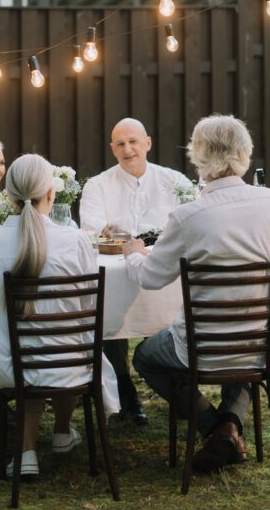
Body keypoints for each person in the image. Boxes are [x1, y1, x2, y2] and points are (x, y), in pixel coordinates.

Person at [126, 115, 270, 473]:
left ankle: (214, 427)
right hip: (259, 343)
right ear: (244, 153)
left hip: (199, 348)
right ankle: (231, 428)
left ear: (198, 155)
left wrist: (132, 254)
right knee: (245, 356)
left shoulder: (189, 216)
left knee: (144, 358)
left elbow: (152, 277)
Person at [0, 153, 119, 479]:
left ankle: (27, 453)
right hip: (71, 366)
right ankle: (62, 432)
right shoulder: (75, 240)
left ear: (9, 197)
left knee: (33, 353)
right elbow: (87, 308)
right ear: (51, 194)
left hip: (10, 365)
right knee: (68, 341)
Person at [79, 117, 192, 424]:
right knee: (109, 311)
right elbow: (91, 229)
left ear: (148, 143)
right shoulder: (97, 185)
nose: (128, 150)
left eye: (133, 142)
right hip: (118, 272)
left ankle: (180, 388)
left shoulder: (176, 181)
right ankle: (124, 389)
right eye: (120, 144)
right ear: (112, 149)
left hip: (164, 271)